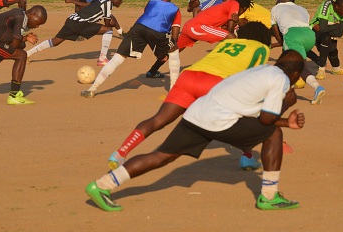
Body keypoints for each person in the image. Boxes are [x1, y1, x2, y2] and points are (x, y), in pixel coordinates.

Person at [85, 49, 306, 212]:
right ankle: (268, 195)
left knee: (160, 156)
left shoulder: (264, 70)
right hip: (220, 121)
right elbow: (267, 119)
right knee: (274, 134)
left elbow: (250, 109)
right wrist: (287, 111)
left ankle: (101, 185)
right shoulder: (281, 80)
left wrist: (285, 119)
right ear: (296, 73)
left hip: (196, 113)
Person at [105, 21, 272, 171]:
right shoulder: (262, 49)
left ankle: (120, 152)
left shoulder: (227, 43)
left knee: (158, 120)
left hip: (189, 76)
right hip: (216, 84)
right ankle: (248, 157)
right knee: (248, 117)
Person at [80, 0, 181, 98]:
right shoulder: (175, 9)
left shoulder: (151, 2)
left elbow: (148, 22)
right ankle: (173, 90)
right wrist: (166, 49)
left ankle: (92, 89)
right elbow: (173, 33)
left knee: (117, 58)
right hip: (158, 32)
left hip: (138, 28)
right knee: (174, 51)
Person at [26, 0, 124, 66]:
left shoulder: (104, 0)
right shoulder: (108, 3)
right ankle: (102, 58)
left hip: (71, 20)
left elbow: (109, 17)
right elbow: (107, 24)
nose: (121, 1)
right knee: (108, 30)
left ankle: (28, 53)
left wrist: (116, 26)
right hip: (80, 23)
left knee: (55, 41)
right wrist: (112, 24)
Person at [271, 0, 325, 105]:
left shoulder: (276, 8)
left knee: (301, 67)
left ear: (281, 0)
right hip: (310, 36)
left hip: (293, 35)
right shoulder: (302, 9)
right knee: (286, 60)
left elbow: (275, 30)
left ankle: (317, 88)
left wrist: (279, 41)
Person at [177, 0, 252, 52]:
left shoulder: (226, 5)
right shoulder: (235, 3)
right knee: (231, 37)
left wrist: (236, 22)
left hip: (188, 26)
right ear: (244, 8)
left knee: (173, 51)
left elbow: (225, 28)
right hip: (197, 27)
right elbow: (230, 32)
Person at [306, 0, 343, 80]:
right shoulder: (327, 5)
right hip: (313, 30)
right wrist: (336, 25)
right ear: (336, 6)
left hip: (324, 31)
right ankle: (321, 69)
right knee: (326, 39)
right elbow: (324, 29)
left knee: (332, 49)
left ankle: (336, 69)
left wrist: (331, 27)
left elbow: (340, 33)